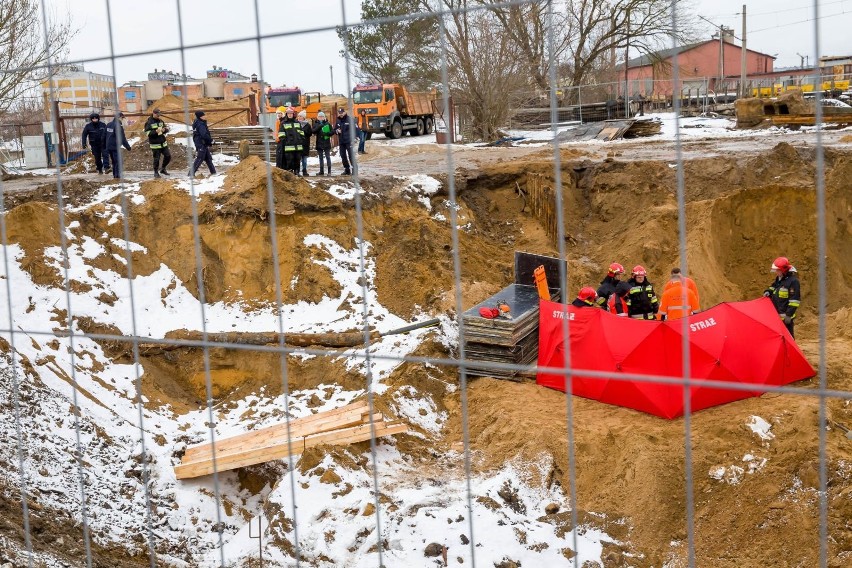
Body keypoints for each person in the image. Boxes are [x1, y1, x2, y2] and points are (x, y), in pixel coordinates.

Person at [764, 256, 801, 337]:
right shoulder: (780, 278)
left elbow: (794, 301)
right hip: (776, 317)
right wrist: (768, 291)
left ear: (783, 270)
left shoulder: (793, 282)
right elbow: (774, 286)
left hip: (786, 319)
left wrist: (788, 315)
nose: (776, 272)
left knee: (788, 338)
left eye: (777, 270)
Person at [143, 108, 171, 178]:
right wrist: (156, 131)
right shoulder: (149, 122)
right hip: (155, 144)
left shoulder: (160, 121)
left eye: (159, 115)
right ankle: (156, 172)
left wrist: (165, 130)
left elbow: (165, 128)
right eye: (157, 115)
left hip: (163, 142)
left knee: (168, 156)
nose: (159, 116)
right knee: (156, 159)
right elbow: (147, 133)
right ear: (154, 113)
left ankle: (163, 169)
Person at [105, 112, 131, 180]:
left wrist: (104, 145)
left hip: (109, 146)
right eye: (122, 118)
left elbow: (104, 136)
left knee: (114, 161)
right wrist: (128, 147)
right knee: (118, 161)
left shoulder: (109, 124)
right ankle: (117, 176)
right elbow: (122, 138)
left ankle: (115, 175)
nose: (122, 119)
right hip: (115, 146)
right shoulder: (119, 126)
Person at [190, 110, 216, 177]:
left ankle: (213, 172)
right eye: (203, 115)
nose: (205, 116)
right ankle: (190, 174)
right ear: (200, 117)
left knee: (208, 159)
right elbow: (204, 135)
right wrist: (211, 140)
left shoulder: (197, 122)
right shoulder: (200, 124)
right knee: (200, 158)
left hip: (201, 143)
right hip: (201, 143)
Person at [279, 107, 303, 175]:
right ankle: (290, 172)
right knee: (289, 160)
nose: (290, 115)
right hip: (288, 146)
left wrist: (301, 140)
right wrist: (286, 142)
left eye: (291, 113)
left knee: (297, 160)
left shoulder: (297, 122)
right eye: (288, 113)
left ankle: (297, 172)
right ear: (286, 114)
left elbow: (301, 133)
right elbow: (281, 134)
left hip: (298, 146)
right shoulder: (283, 123)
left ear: (293, 114)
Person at [313, 111, 333, 176]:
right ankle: (321, 171)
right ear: (317, 117)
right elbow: (313, 131)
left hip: (326, 143)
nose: (321, 118)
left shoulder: (327, 124)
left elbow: (332, 132)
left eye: (322, 116)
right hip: (319, 143)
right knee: (320, 158)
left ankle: (329, 171)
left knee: (328, 157)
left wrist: (327, 133)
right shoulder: (315, 124)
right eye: (319, 117)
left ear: (324, 117)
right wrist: (319, 127)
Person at [335, 107, 354, 175]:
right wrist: (337, 131)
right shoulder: (338, 120)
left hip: (349, 141)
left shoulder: (349, 119)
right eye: (339, 113)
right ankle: (347, 169)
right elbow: (335, 129)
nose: (341, 114)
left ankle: (354, 169)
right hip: (341, 141)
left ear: (344, 112)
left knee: (351, 155)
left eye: (342, 113)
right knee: (343, 155)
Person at [297, 110, 312, 176]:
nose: (299, 117)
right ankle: (297, 170)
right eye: (299, 116)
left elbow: (310, 133)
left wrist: (302, 132)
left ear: (304, 117)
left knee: (304, 159)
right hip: (298, 143)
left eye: (301, 116)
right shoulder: (296, 124)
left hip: (305, 144)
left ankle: (304, 170)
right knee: (298, 158)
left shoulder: (307, 125)